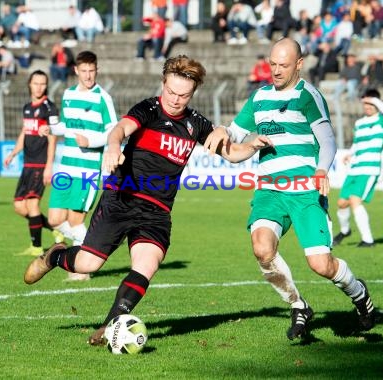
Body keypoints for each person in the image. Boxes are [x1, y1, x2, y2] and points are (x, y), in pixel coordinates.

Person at [23, 55, 271, 345]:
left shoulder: (195, 123)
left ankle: (109, 327)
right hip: (122, 198)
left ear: (192, 94)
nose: (176, 100)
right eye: (171, 92)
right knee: (88, 264)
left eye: (184, 95)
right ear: (163, 83)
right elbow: (120, 129)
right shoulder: (148, 109)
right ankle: (55, 256)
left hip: (157, 211)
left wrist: (252, 145)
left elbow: (230, 152)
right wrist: (113, 147)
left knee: (147, 265)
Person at [203, 38, 377, 339]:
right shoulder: (259, 97)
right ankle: (298, 305)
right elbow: (235, 131)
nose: (276, 70)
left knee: (321, 265)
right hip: (269, 190)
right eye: (273, 64)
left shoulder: (308, 96)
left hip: (305, 190)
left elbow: (328, 140)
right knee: (261, 248)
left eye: (284, 65)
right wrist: (222, 130)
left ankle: (359, 294)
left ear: (299, 64)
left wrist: (322, 169)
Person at [36, 50, 118, 281]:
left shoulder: (103, 98)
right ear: (76, 71)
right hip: (66, 167)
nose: (89, 75)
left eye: (92, 71)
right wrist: (50, 129)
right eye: (84, 71)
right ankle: (87, 246)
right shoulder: (69, 94)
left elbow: (114, 132)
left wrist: (91, 141)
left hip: (87, 169)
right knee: (53, 219)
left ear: (97, 70)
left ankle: (83, 268)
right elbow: (66, 125)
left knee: (75, 220)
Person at [3, 70, 63, 256]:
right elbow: (25, 132)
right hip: (27, 164)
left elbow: (53, 138)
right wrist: (13, 153)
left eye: (43, 83)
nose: (39, 87)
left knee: (32, 204)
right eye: (36, 83)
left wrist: (49, 166)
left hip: (40, 164)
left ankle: (36, 248)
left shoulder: (49, 108)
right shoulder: (27, 107)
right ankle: (55, 230)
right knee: (19, 207)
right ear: (29, 84)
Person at [333, 88, 383, 247]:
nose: (367, 106)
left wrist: (373, 99)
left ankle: (368, 240)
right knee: (341, 203)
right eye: (365, 103)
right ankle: (345, 231)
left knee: (355, 200)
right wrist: (350, 153)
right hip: (355, 168)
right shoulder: (359, 123)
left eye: (370, 103)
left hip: (369, 169)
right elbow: (357, 143)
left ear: (376, 103)